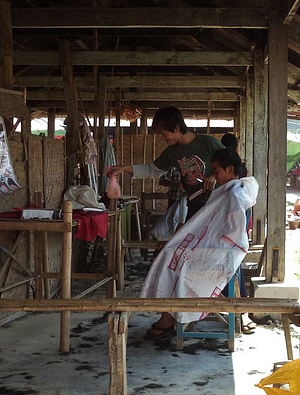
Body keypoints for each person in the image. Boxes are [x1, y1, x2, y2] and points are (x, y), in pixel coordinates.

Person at [141, 148, 258, 340]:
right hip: (216, 249)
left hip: (222, 253)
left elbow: (230, 234)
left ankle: (170, 315)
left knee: (173, 258)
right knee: (170, 253)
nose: (214, 176)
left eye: (217, 171)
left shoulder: (235, 194)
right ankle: (170, 312)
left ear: (229, 170)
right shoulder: (232, 191)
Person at [107, 106, 224, 222]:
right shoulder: (172, 152)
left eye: (164, 134)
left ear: (177, 128)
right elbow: (152, 170)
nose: (163, 138)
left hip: (219, 201)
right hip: (196, 203)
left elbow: (232, 164)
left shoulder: (208, 143)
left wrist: (214, 176)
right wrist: (124, 168)